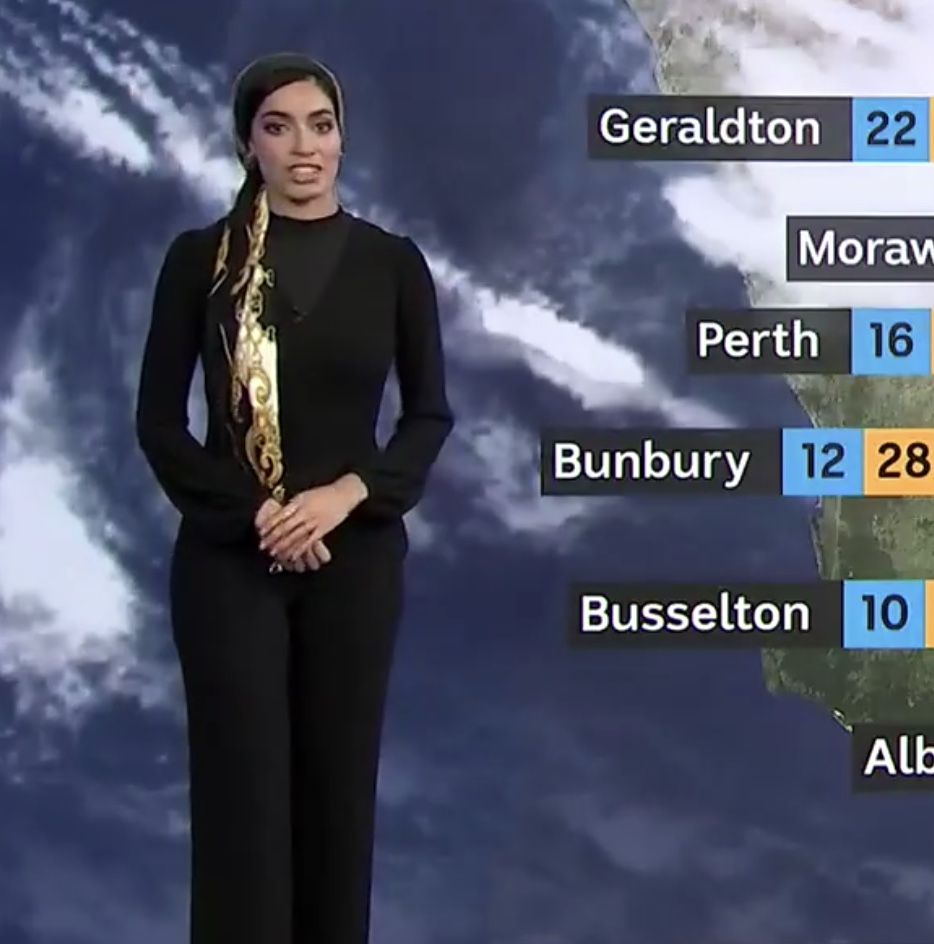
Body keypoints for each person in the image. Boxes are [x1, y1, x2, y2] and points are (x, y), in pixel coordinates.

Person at [134, 50, 455, 943]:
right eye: (278, 127)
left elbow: (428, 417)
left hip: (354, 564)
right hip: (227, 570)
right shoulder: (201, 262)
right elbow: (159, 423)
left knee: (337, 804)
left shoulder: (394, 265)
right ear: (250, 145)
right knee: (241, 812)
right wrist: (259, 518)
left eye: (321, 125)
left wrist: (346, 495)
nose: (303, 146)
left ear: (343, 138)